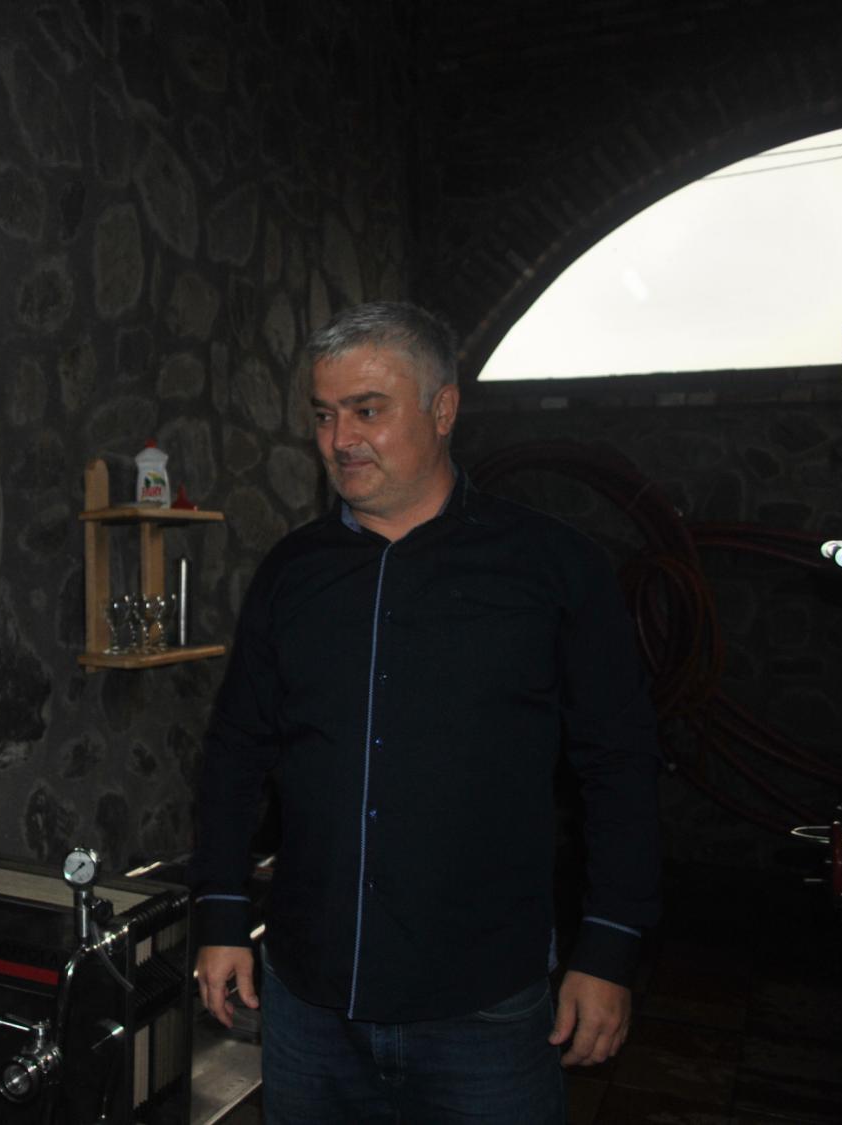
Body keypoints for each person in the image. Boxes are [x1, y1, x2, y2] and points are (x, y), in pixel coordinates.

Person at [190, 301, 660, 1122]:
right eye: (324, 415)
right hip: (310, 1007)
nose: (340, 439)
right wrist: (221, 912)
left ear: (444, 409)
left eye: (368, 410)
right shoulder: (292, 572)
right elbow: (235, 751)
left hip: (484, 1012)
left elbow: (620, 766)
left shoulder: (553, 567)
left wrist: (609, 945)